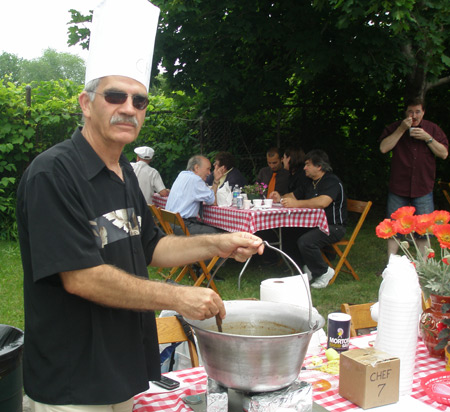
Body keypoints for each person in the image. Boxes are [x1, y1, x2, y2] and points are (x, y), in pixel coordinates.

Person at [15, 1, 264, 411]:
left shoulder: (125, 172)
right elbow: (82, 278)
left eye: (140, 101)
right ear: (85, 102)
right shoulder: (53, 174)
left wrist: (218, 243)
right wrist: (179, 297)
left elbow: (151, 246)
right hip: (73, 379)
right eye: (115, 96)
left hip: (120, 366)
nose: (129, 108)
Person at [379, 97, 448, 257]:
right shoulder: (396, 127)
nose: (414, 116)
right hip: (399, 187)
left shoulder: (432, 129)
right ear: (406, 112)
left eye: (418, 111)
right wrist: (402, 129)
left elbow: (444, 154)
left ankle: (422, 266)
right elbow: (383, 148)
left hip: (423, 188)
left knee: (424, 231)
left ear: (423, 112)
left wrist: (428, 138)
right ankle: (391, 263)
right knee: (393, 228)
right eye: (411, 111)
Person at [271, 150, 347, 289]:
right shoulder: (309, 181)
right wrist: (280, 198)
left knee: (306, 241)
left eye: (308, 165)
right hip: (313, 225)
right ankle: (305, 269)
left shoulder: (332, 181)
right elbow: (293, 196)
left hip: (333, 226)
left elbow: (323, 202)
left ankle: (323, 271)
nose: (304, 168)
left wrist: (297, 204)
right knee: (287, 233)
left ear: (319, 166)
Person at [166, 155, 225, 234]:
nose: (209, 173)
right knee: (220, 233)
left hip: (170, 224)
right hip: (182, 226)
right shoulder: (196, 180)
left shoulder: (182, 174)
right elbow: (213, 201)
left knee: (209, 228)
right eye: (208, 169)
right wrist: (216, 180)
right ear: (197, 168)